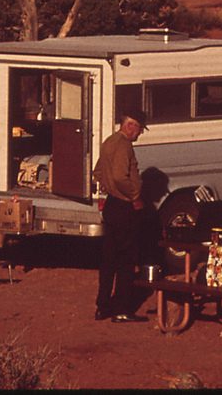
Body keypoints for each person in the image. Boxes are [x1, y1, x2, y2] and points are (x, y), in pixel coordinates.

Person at [93, 109, 149, 323]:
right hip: (125, 208)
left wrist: (111, 188)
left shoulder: (109, 142)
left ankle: (103, 306)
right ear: (130, 126)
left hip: (111, 206)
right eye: (139, 129)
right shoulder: (125, 146)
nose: (140, 134)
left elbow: (98, 172)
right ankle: (122, 310)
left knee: (108, 260)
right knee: (127, 260)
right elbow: (119, 176)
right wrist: (134, 195)